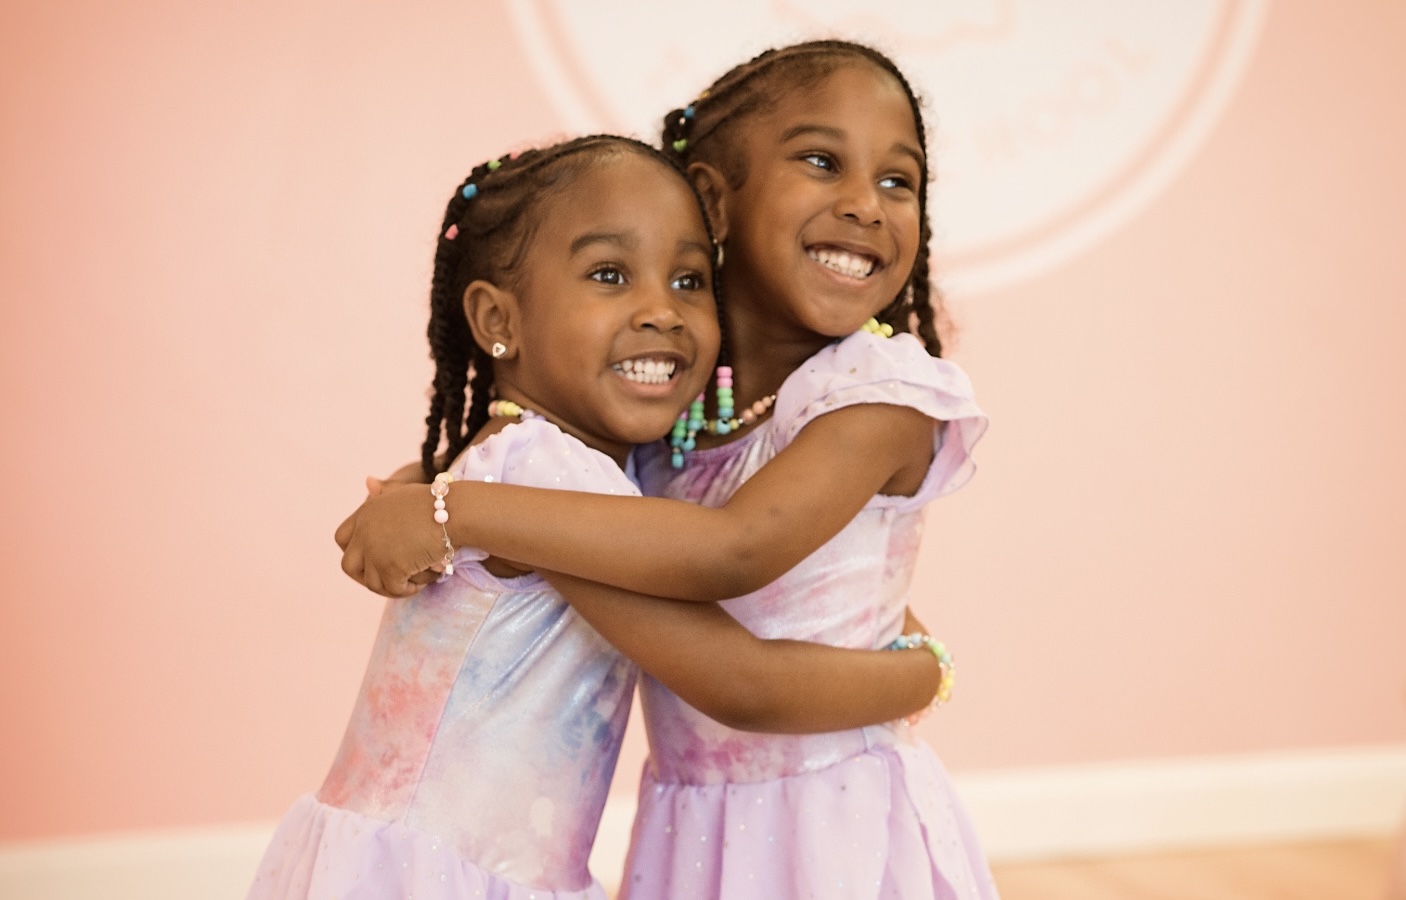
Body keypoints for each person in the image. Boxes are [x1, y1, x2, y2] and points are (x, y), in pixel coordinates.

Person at [251, 134, 949, 900]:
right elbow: (744, 684)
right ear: (496, 318)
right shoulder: (546, 473)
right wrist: (926, 674)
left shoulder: (532, 464)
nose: (662, 311)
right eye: (610, 274)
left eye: (689, 280)